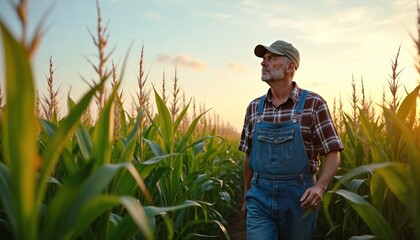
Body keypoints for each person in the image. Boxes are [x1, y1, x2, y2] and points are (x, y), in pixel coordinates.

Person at [239, 40, 344, 239]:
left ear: (290, 66)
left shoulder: (313, 104)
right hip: (259, 197)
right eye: (263, 59)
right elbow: (249, 157)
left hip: (299, 198)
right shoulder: (254, 108)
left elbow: (332, 151)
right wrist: (246, 195)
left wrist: (320, 186)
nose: (263, 63)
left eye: (271, 58)